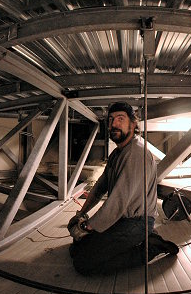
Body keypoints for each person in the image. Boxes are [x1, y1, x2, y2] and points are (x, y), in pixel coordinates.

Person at [68, 101, 178, 276]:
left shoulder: (135, 153)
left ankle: (150, 248)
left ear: (133, 124)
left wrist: (88, 226)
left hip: (138, 223)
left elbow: (117, 202)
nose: (114, 124)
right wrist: (82, 214)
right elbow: (99, 188)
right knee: (76, 248)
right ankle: (137, 242)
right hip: (122, 219)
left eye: (120, 119)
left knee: (83, 263)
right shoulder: (117, 153)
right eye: (111, 120)